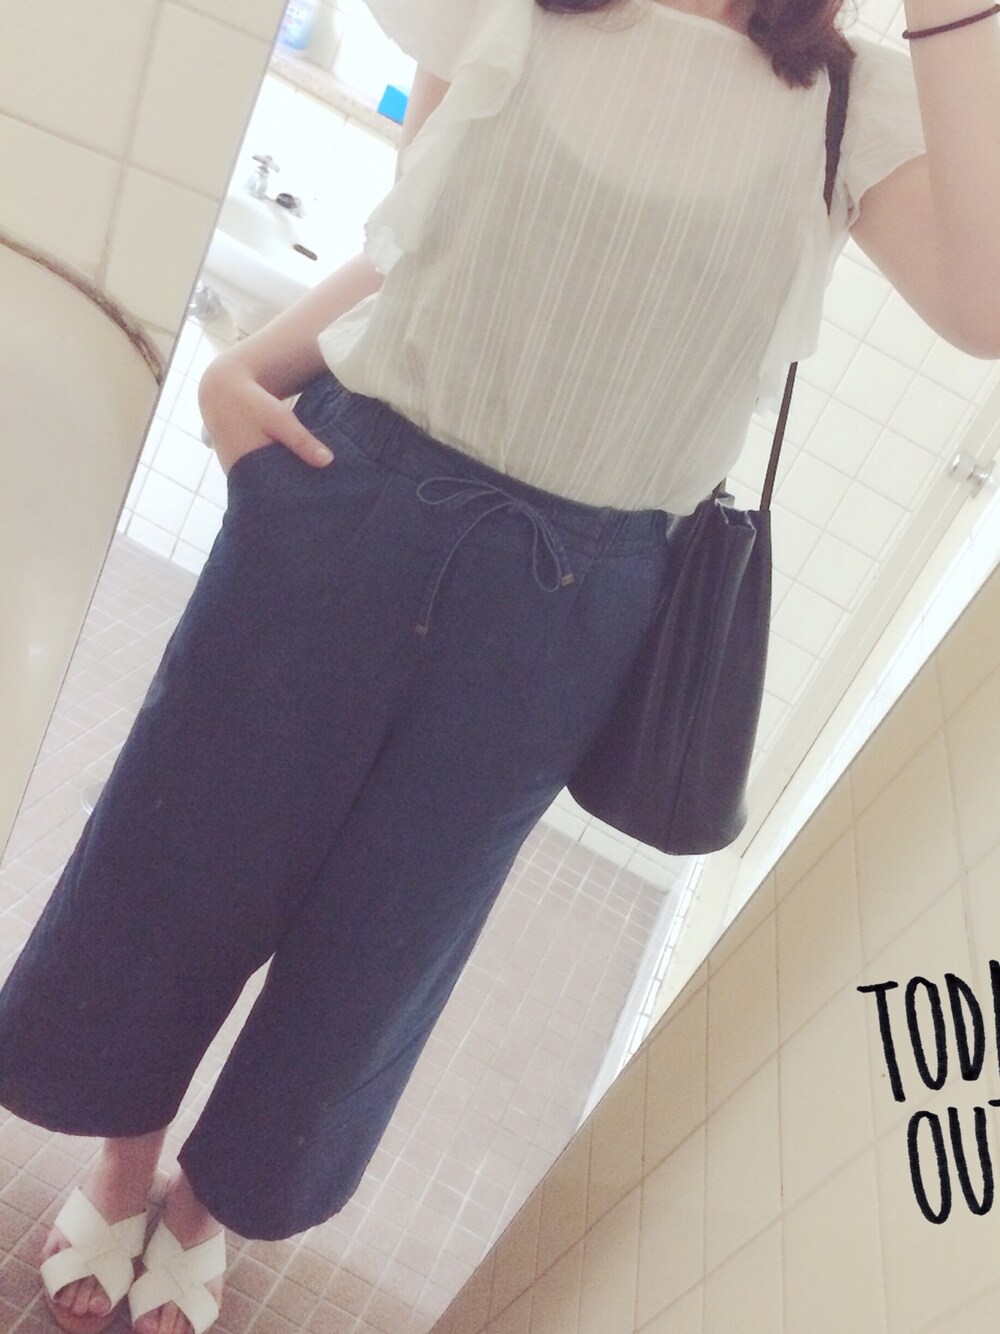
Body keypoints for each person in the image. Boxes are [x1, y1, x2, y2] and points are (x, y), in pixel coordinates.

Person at [1, 0, 998, 1330]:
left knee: (387, 939)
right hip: (350, 494)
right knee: (185, 851)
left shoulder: (847, 102)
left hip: (569, 598)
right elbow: (426, 238)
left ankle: (208, 1207)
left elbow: (986, 305)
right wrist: (249, 367)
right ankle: (123, 1167)